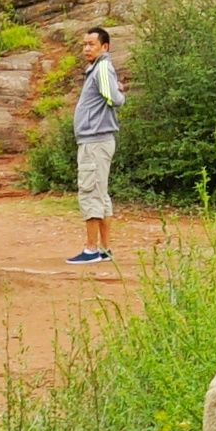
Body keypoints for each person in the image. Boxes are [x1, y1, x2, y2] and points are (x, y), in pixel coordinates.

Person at [67, 27, 124, 265]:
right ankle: (105, 249)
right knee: (100, 194)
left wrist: (120, 93)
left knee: (90, 192)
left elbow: (113, 97)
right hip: (97, 140)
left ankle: (91, 250)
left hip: (95, 141)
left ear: (104, 47)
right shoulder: (98, 69)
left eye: (91, 44)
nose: (86, 48)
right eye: (84, 44)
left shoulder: (101, 67)